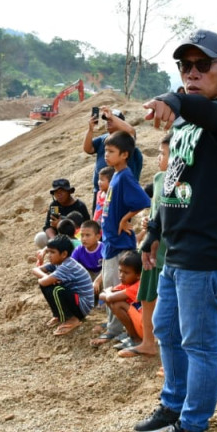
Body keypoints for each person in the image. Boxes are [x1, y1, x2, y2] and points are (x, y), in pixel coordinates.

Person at [134, 29, 217, 432]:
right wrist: (155, 231)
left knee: (199, 344)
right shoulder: (186, 117)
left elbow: (207, 113)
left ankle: (193, 423)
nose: (192, 73)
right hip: (178, 251)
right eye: (185, 66)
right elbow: (174, 179)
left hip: (211, 254)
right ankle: (173, 403)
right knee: (166, 328)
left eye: (203, 65)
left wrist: (177, 99)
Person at [91, 131, 150, 347]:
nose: (106, 155)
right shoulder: (115, 175)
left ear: (124, 154)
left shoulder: (125, 176)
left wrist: (126, 219)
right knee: (109, 284)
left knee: (116, 287)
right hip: (110, 242)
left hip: (120, 243)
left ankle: (116, 330)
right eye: (105, 151)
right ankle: (112, 326)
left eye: (111, 151)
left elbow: (143, 201)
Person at [125, 133, 172, 359]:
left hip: (170, 253)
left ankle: (169, 350)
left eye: (163, 153)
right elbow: (157, 211)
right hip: (152, 251)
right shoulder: (159, 178)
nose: (159, 158)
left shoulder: (185, 183)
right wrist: (148, 223)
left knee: (169, 302)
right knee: (147, 296)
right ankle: (148, 342)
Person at [31, 235, 94, 336]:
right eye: (48, 252)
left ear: (64, 254)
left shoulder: (67, 266)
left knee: (56, 290)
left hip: (83, 305)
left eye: (52, 252)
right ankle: (59, 316)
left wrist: (47, 279)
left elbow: (42, 282)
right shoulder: (58, 262)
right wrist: (47, 277)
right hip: (76, 300)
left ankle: (73, 319)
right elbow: (35, 270)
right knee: (50, 286)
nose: (49, 255)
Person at [84, 106, 143, 214]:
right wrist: (90, 129)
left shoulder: (127, 139)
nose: (108, 122)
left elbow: (131, 131)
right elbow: (88, 149)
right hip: (100, 191)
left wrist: (111, 116)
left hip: (120, 192)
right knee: (99, 220)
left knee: (117, 220)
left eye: (111, 120)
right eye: (107, 120)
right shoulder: (104, 138)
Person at [99, 251, 143, 347]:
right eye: (120, 271)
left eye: (126, 273)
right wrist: (108, 293)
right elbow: (101, 295)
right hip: (140, 324)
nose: (121, 275)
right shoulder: (126, 284)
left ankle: (136, 339)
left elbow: (109, 296)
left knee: (118, 304)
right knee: (113, 302)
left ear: (138, 275)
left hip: (145, 327)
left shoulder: (138, 286)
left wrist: (108, 292)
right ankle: (132, 335)